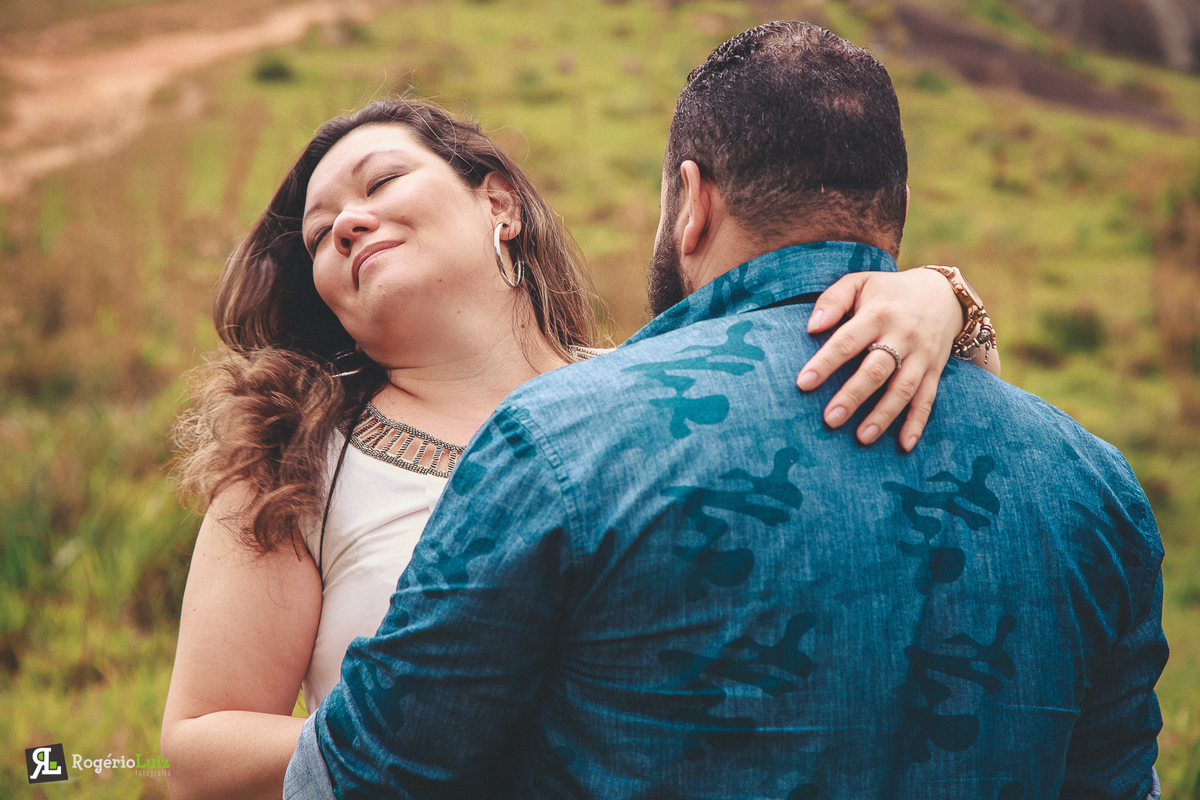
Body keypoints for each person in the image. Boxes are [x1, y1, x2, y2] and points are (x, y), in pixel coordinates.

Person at [284, 22, 1167, 800]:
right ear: (895, 209)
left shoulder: (559, 441)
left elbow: (364, 776)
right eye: (320, 232)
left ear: (694, 201)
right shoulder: (1097, 491)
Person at [160, 93, 995, 799]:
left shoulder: (657, 389)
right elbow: (198, 748)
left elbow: (910, 454)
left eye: (381, 182)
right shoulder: (295, 459)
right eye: (318, 235)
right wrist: (432, 726)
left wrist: (941, 299)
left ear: (500, 205)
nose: (347, 223)